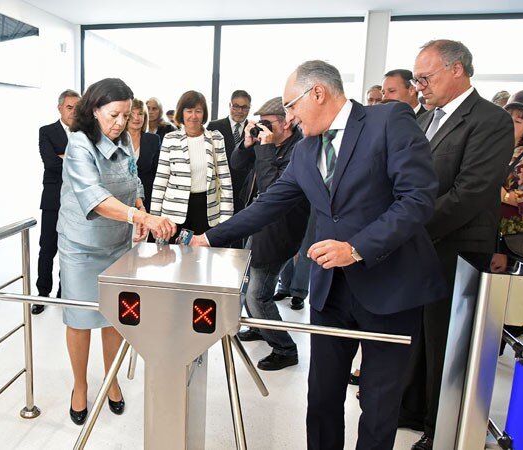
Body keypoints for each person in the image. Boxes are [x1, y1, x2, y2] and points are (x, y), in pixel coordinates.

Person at [191, 60, 447, 450]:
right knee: (322, 397)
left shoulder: (388, 121)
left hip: (390, 285)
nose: (289, 117)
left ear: (318, 92)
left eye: (291, 106)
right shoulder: (306, 150)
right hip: (330, 291)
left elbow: (416, 199)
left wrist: (357, 248)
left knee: (379, 403)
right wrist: (209, 238)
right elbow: (269, 203)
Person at [399, 39, 514, 450]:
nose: (419, 86)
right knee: (417, 332)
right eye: (416, 79)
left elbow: (471, 192)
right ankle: (411, 409)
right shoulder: (424, 118)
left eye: (425, 78)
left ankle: (441, 428)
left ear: (457, 69)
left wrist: (406, 224)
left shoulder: (490, 120)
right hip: (418, 244)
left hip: (457, 247)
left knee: (447, 342)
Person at [58, 78, 176, 425]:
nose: (121, 123)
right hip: (81, 246)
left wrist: (139, 207)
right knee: (80, 319)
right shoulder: (79, 145)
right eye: (114, 115)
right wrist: (141, 217)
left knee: (115, 317)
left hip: (117, 244)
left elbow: (132, 179)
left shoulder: (122, 139)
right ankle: (80, 385)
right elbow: (94, 197)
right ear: (94, 110)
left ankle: (111, 381)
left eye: (126, 115)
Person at [230, 96, 308, 370]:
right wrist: (247, 143)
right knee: (248, 280)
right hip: (258, 224)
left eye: (267, 123)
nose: (262, 127)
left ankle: (285, 348)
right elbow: (237, 164)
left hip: (279, 231)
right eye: (259, 122)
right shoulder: (270, 143)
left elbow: (272, 190)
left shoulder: (299, 150)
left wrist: (264, 149)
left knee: (257, 294)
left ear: (286, 123)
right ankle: (259, 326)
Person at [150, 90, 234, 239]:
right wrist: (154, 218)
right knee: (173, 253)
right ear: (181, 113)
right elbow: (161, 180)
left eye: (198, 111)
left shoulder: (216, 139)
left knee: (202, 252)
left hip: (206, 210)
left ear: (204, 114)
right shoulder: (170, 139)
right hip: (174, 213)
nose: (193, 116)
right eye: (189, 111)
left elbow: (225, 180)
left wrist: (226, 220)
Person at [34, 89, 80, 315]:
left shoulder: (85, 134)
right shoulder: (47, 131)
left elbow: (92, 165)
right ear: (60, 107)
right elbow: (51, 164)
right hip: (53, 200)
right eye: (69, 107)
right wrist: (77, 162)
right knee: (47, 248)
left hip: (78, 202)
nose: (73, 112)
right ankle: (42, 294)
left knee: (70, 249)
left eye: (77, 108)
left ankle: (64, 293)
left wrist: (64, 157)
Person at [208, 90, 253, 215]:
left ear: (249, 108)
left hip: (244, 190)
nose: (240, 111)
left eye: (244, 107)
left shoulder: (254, 129)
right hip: (220, 187)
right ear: (230, 105)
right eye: (236, 106)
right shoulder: (214, 127)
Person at [127, 98, 161, 211]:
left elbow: (158, 173)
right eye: (132, 114)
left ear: (145, 117)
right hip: (121, 198)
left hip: (147, 198)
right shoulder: (116, 139)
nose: (136, 118)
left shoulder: (153, 140)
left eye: (140, 114)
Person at [501, 102, 523, 217]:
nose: (510, 123)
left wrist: (505, 196)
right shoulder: (489, 147)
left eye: (517, 121)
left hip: (510, 220)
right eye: (506, 118)